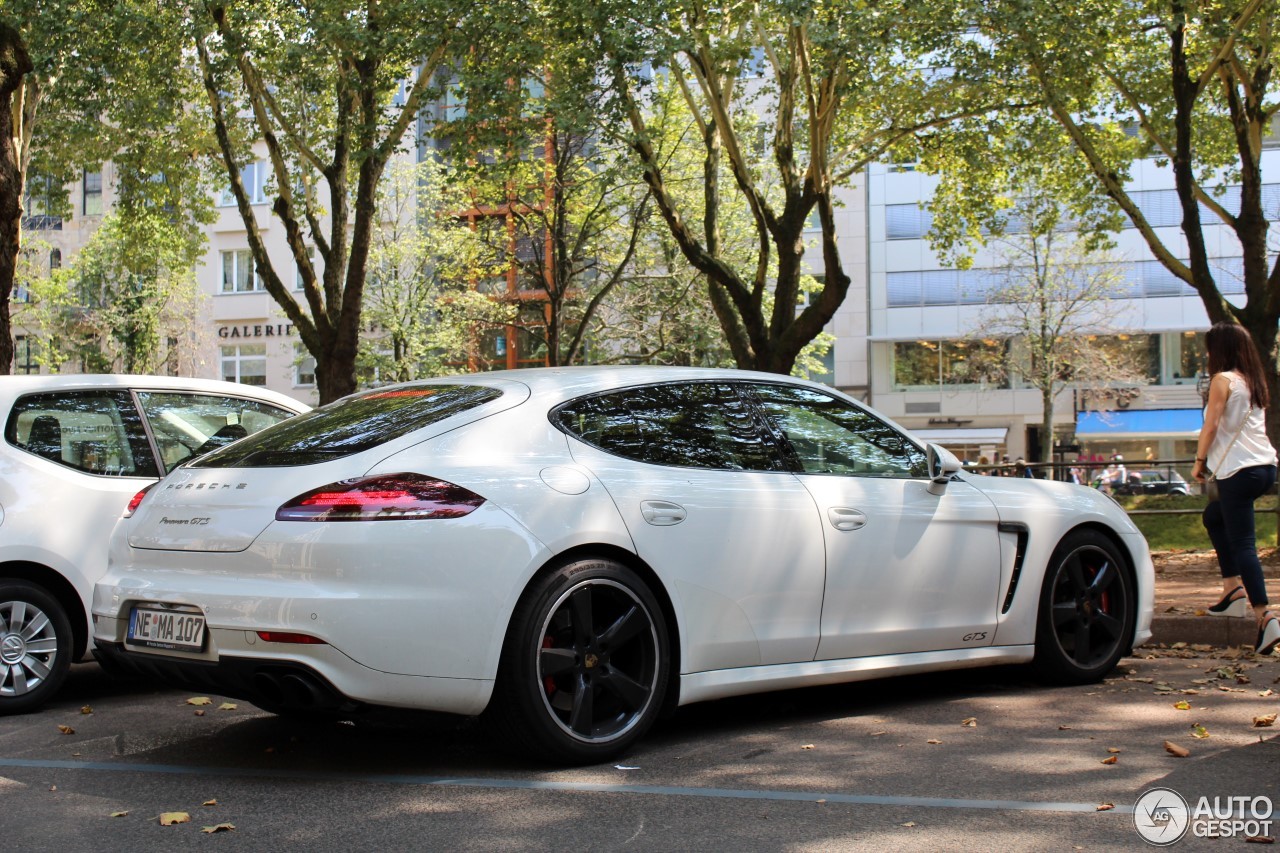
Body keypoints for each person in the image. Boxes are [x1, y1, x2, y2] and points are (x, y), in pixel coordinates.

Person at [1192, 322, 1280, 655]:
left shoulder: (1222, 379)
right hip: (1264, 468)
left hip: (1239, 471)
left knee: (1244, 543)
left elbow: (1211, 424)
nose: (1206, 353)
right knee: (1215, 517)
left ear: (1221, 349)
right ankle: (1233, 592)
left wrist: (1199, 462)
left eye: (1210, 347)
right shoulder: (1253, 381)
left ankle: (1264, 615)